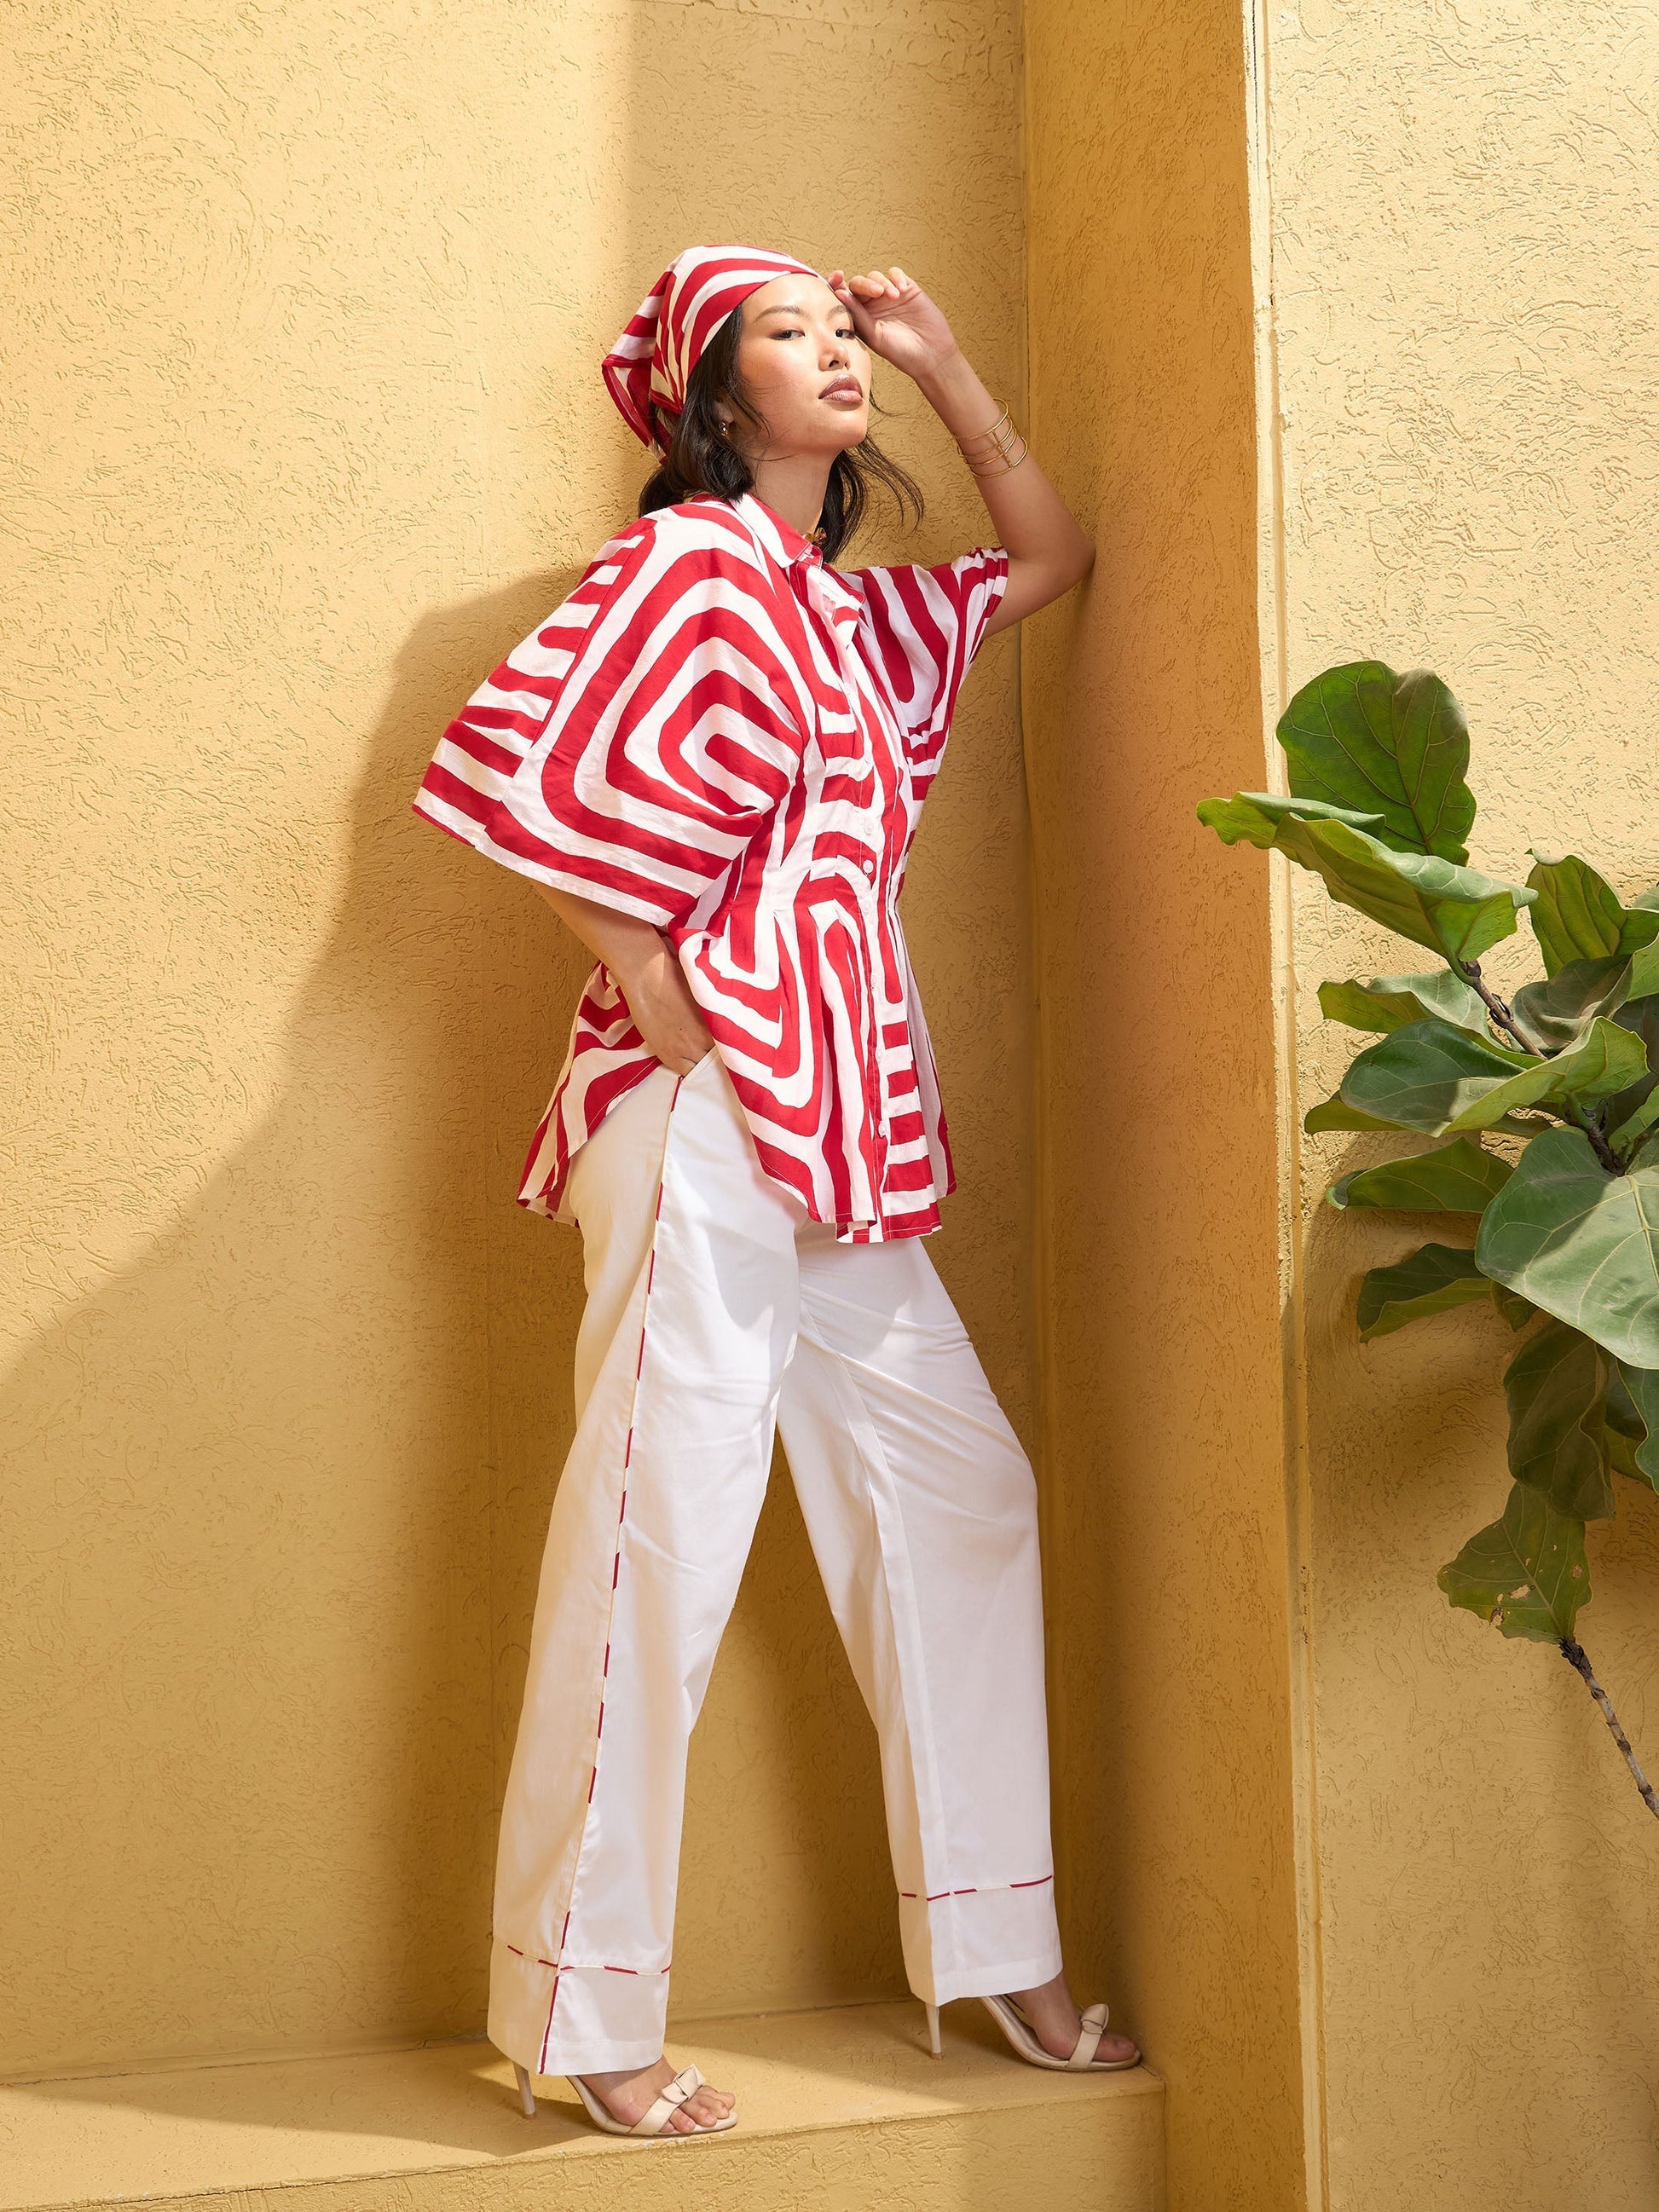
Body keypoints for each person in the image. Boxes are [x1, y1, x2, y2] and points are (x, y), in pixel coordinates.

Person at [413, 244, 1139, 2142]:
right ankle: (581, 2013)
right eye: (786, 333)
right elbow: (518, 760)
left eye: (840, 330)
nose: (832, 351)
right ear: (711, 393)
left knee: (960, 1495)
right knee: (656, 1536)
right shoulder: (684, 566)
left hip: (839, 1128)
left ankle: (995, 1944)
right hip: (708, 1113)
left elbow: (1048, 556)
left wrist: (947, 361)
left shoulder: (850, 618)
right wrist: (645, 975)